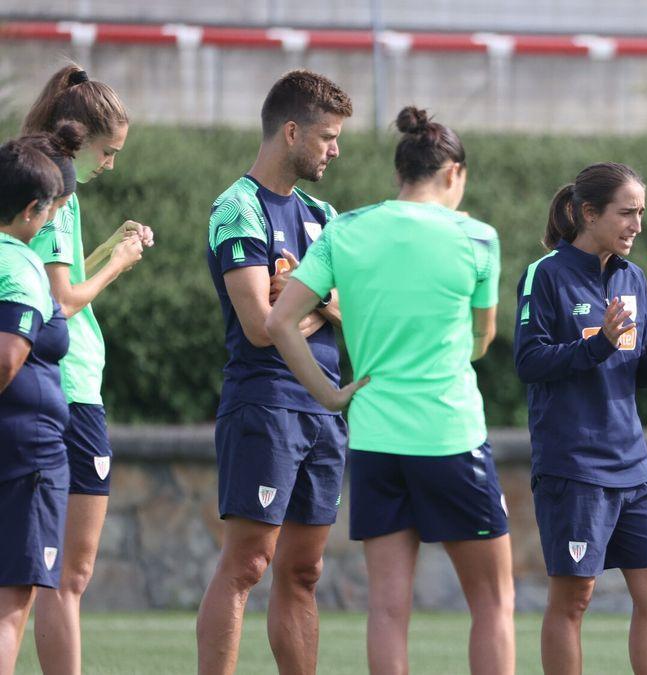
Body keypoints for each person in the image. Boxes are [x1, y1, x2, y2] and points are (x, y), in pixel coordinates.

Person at [266, 105, 515, 675]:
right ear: (453, 173)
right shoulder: (476, 237)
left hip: (376, 438)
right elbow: (483, 338)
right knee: (493, 602)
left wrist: (330, 396)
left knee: (386, 608)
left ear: (402, 171)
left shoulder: (345, 229)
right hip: (450, 434)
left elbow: (280, 321)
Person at [196, 69, 352, 675]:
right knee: (247, 564)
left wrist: (300, 300)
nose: (334, 150)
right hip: (265, 404)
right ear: (291, 132)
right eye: (327, 137)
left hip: (324, 409)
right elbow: (261, 328)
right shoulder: (236, 208)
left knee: (304, 570)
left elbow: (353, 312)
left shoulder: (325, 214)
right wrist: (319, 305)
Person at [515, 162, 647, 675]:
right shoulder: (545, 274)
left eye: (641, 212)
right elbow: (529, 362)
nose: (638, 224)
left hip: (631, 465)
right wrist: (594, 344)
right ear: (588, 213)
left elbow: (634, 373)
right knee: (574, 596)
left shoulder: (633, 278)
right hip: (573, 464)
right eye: (626, 213)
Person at [21, 64, 151, 675]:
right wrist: (120, 263)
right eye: (110, 151)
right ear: (84, 136)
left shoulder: (60, 193)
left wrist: (108, 249)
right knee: (63, 575)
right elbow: (62, 300)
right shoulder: (57, 194)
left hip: (77, 388)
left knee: (64, 573)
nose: (111, 164)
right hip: (66, 392)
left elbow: (64, 280)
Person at [0, 138, 71, 675]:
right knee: (10, 607)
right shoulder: (21, 264)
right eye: (49, 211)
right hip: (25, 458)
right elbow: (7, 359)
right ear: (31, 210)